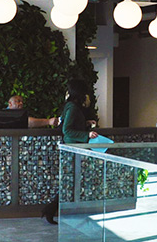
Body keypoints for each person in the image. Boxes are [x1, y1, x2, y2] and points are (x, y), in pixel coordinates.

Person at [42, 82, 98, 225]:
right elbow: (67, 131)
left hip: (71, 149)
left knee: (69, 181)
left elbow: (69, 126)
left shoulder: (71, 107)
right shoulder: (73, 108)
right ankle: (51, 210)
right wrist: (87, 134)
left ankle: (51, 210)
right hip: (72, 149)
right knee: (70, 181)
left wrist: (85, 124)